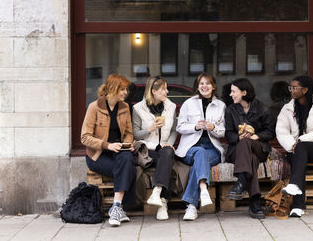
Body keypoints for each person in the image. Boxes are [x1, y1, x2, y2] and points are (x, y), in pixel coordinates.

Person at [81, 74, 136, 226]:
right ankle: (120, 208)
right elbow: (84, 137)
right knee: (128, 168)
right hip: (97, 155)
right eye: (122, 89)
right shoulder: (94, 107)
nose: (125, 92)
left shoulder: (124, 107)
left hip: (118, 151)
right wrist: (107, 145)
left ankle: (116, 207)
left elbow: (128, 133)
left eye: (126, 89)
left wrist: (127, 144)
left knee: (127, 159)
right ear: (113, 89)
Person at [276, 75, 313, 217]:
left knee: (301, 149)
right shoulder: (287, 108)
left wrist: (302, 139)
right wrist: (292, 144)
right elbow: (281, 131)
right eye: (291, 87)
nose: (291, 90)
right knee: (298, 155)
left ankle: (297, 200)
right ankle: (297, 206)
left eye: (295, 88)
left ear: (305, 90)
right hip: (293, 149)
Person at [176, 73, 226, 221]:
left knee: (199, 161)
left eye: (207, 83)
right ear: (197, 87)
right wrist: (195, 127)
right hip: (190, 147)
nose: (204, 86)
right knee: (199, 152)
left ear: (214, 87)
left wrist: (214, 127)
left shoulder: (221, 105)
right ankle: (202, 190)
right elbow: (180, 127)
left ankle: (191, 206)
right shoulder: (188, 103)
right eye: (201, 83)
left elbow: (224, 131)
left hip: (212, 148)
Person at [225, 78, 274, 219]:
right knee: (250, 158)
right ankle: (255, 202)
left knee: (248, 144)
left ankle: (240, 182)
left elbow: (270, 132)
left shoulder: (262, 108)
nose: (231, 94)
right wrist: (239, 138)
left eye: (233, 91)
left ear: (244, 92)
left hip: (259, 148)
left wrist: (256, 136)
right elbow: (228, 134)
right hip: (237, 151)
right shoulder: (230, 110)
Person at [132, 76, 177, 220]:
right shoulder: (138, 109)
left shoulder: (171, 107)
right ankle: (163, 203)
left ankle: (157, 193)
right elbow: (135, 134)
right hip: (147, 149)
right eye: (164, 89)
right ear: (153, 91)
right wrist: (150, 129)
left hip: (164, 147)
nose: (167, 92)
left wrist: (169, 142)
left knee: (168, 152)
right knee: (167, 161)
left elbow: (174, 130)